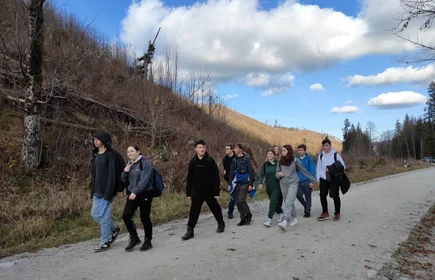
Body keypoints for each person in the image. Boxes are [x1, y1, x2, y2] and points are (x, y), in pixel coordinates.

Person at [182, 140, 225, 241]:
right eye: (200, 147)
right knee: (194, 211)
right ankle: (190, 230)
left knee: (214, 207)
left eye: (204, 147)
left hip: (209, 190)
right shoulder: (193, 161)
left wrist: (216, 192)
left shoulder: (210, 160)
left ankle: (221, 223)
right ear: (196, 149)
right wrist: (188, 192)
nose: (202, 149)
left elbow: (216, 177)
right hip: (196, 191)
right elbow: (190, 177)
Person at [90, 131, 122, 252]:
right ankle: (114, 228)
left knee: (103, 216)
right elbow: (94, 175)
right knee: (94, 214)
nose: (95, 141)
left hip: (107, 191)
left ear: (103, 141)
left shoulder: (110, 155)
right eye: (94, 139)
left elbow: (113, 175)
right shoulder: (96, 154)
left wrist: (110, 192)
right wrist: (92, 190)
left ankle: (105, 241)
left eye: (97, 139)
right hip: (97, 191)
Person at [121, 145, 154, 252]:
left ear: (138, 152)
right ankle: (134, 237)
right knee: (126, 216)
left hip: (144, 194)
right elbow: (123, 180)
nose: (129, 153)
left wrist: (136, 191)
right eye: (128, 152)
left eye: (132, 151)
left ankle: (148, 240)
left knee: (144, 217)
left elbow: (144, 180)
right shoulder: (130, 164)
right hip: (132, 194)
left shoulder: (145, 163)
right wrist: (125, 171)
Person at [276, 144, 317, 231]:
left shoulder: (295, 160)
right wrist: (279, 174)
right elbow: (276, 173)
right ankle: (294, 218)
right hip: (283, 184)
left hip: (293, 183)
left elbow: (305, 172)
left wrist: (314, 181)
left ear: (288, 151)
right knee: (287, 201)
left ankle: (285, 221)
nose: (282, 152)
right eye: (282, 150)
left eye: (284, 150)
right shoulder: (280, 161)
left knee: (289, 201)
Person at [316, 138, 346, 221]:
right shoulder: (321, 155)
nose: (325, 147)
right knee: (322, 195)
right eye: (323, 146)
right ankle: (325, 213)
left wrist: (331, 168)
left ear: (330, 146)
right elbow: (318, 168)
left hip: (333, 179)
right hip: (323, 178)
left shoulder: (336, 155)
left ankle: (337, 212)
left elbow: (343, 166)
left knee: (335, 196)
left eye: (326, 145)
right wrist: (318, 179)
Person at [228, 143, 256, 226]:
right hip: (237, 182)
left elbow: (251, 171)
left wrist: (251, 183)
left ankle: (248, 214)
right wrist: (230, 184)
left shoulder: (246, 158)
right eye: (234, 148)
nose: (235, 150)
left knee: (241, 199)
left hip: (245, 182)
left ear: (240, 149)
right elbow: (231, 172)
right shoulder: (234, 160)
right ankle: (242, 218)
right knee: (237, 201)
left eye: (236, 148)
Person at [258, 149, 283, 227]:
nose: (270, 155)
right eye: (268, 154)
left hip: (277, 186)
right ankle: (281, 214)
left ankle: (269, 220)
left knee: (272, 202)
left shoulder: (278, 164)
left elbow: (282, 173)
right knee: (274, 203)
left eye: (271, 154)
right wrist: (260, 183)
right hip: (268, 187)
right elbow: (261, 174)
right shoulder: (265, 164)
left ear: (274, 155)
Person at [296, 144, 316, 218]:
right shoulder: (296, 160)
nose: (300, 152)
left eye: (302, 150)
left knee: (308, 196)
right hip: (298, 181)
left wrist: (312, 181)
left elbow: (312, 171)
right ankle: (306, 206)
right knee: (298, 195)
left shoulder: (309, 160)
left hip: (307, 181)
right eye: (299, 150)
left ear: (305, 151)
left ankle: (307, 212)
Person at [223, 144, 236, 219]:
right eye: (225, 149)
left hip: (237, 179)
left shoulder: (236, 158)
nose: (226, 150)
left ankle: (243, 210)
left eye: (228, 149)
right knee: (233, 196)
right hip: (229, 180)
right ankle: (230, 211)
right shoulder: (225, 159)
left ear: (232, 150)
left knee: (238, 197)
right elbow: (225, 170)